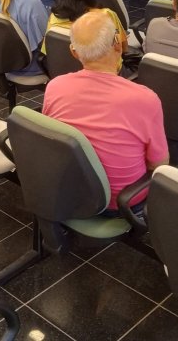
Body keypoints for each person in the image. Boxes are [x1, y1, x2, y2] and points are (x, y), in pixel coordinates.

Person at [42, 11, 169, 215]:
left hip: (71, 191)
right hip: (122, 201)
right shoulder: (145, 99)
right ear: (118, 45)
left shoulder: (55, 87)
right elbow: (159, 165)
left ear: (74, 52)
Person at [42, 0, 128, 55]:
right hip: (103, 68)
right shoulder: (107, 16)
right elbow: (123, 49)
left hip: (60, 68)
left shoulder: (54, 17)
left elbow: (47, 51)